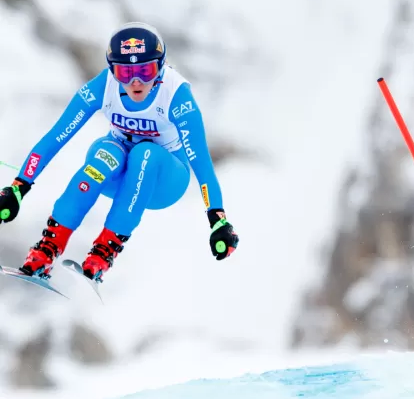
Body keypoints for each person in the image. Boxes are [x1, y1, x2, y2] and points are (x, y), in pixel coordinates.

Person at [0, 22, 239, 282]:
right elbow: (56, 137)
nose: (136, 82)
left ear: (161, 67)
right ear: (112, 70)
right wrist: (18, 187)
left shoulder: (176, 95)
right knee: (104, 153)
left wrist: (218, 219)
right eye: (125, 73)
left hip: (165, 182)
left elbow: (202, 165)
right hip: (119, 174)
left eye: (145, 71)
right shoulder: (103, 86)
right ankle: (46, 250)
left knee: (145, 153)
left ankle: (103, 253)